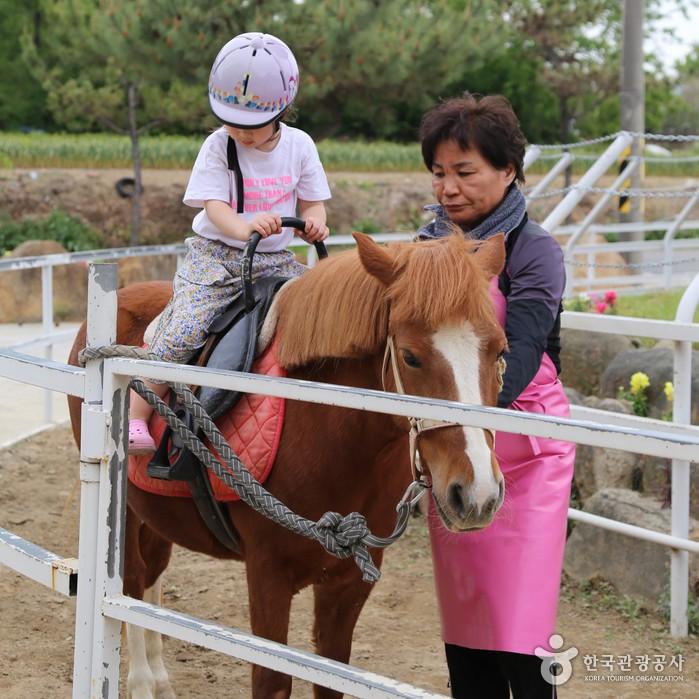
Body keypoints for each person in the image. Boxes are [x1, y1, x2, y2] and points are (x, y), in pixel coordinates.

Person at [417, 94, 575, 698]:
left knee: (522, 633)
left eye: (464, 171)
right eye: (438, 173)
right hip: (460, 444)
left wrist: (465, 411)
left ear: (508, 170)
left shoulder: (535, 250)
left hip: (528, 448)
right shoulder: (427, 245)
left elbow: (529, 345)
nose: (448, 188)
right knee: (466, 630)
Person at [128, 31, 331, 454]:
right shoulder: (218, 146)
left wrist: (312, 225)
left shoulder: (301, 146)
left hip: (274, 259)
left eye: (252, 127)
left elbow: (314, 205)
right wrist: (245, 228)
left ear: (281, 110)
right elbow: (214, 206)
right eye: (232, 123)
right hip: (217, 255)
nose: (241, 133)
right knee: (186, 325)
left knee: (324, 312)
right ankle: (135, 410)